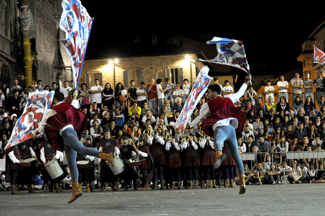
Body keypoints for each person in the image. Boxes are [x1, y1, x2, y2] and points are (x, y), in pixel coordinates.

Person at [35, 91, 114, 203]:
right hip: (71, 132)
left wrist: (36, 132)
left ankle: (107, 156)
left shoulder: (52, 110)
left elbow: (43, 125)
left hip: (66, 134)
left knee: (81, 149)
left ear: (55, 100)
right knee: (72, 163)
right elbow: (77, 108)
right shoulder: (70, 105)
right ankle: (75, 190)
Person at [190, 75, 251, 194]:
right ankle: (242, 182)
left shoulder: (208, 104)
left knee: (217, 142)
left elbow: (200, 118)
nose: (208, 95)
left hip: (220, 128)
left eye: (208, 93)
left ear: (213, 93)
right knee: (236, 157)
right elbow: (240, 93)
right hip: (231, 129)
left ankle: (219, 155)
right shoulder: (229, 98)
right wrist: (246, 81)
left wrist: (189, 125)